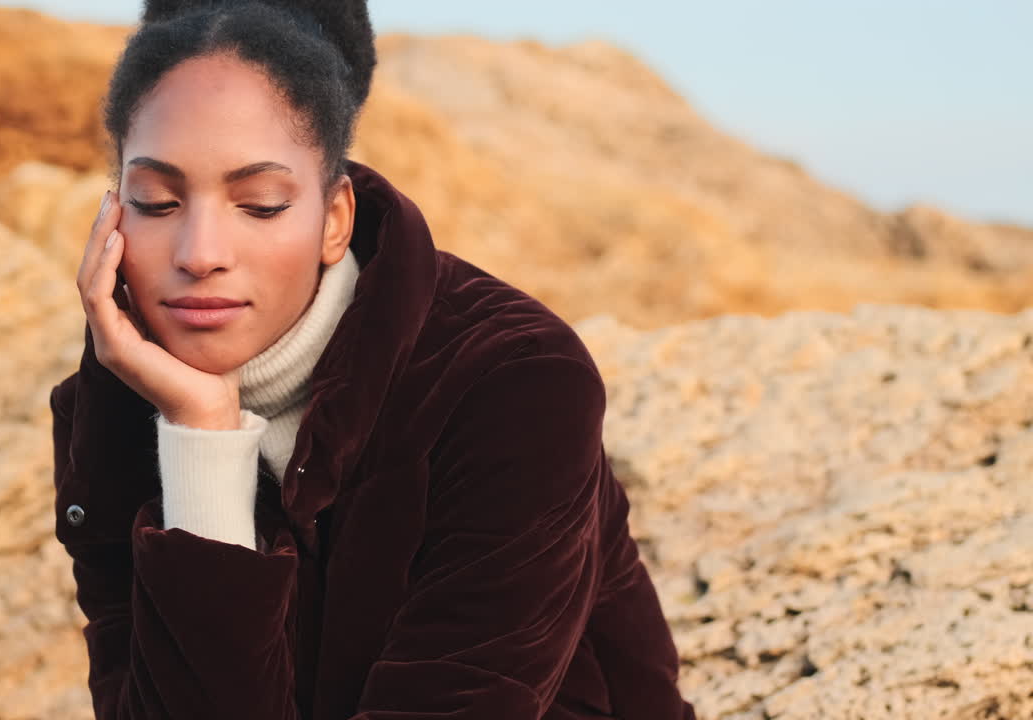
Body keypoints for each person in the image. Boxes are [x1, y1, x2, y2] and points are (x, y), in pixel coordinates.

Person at [48, 1, 696, 718]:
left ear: (334, 221)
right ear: (113, 216)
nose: (201, 255)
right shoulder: (105, 412)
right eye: (157, 201)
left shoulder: (515, 383)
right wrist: (201, 433)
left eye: (259, 204)